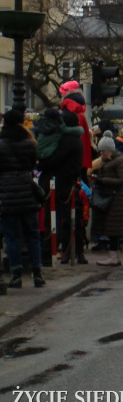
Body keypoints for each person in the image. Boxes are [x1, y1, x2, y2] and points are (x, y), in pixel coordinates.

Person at [36, 107, 88, 264]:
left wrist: (41, 164)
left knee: (53, 220)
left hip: (58, 184)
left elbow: (54, 160)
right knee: (61, 219)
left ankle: (49, 252)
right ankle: (67, 251)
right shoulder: (75, 139)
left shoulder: (68, 141)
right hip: (65, 182)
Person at [0, 110, 45, 289]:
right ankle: (37, 273)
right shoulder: (29, 142)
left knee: (11, 236)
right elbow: (34, 162)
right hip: (26, 189)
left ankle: (16, 274)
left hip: (6, 191)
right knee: (32, 234)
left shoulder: (1, 143)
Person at [89, 131, 123, 266]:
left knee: (113, 229)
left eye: (103, 151)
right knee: (112, 228)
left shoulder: (119, 161)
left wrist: (102, 180)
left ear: (110, 150)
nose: (101, 154)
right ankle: (114, 256)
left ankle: (113, 257)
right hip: (110, 197)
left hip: (114, 198)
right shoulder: (112, 160)